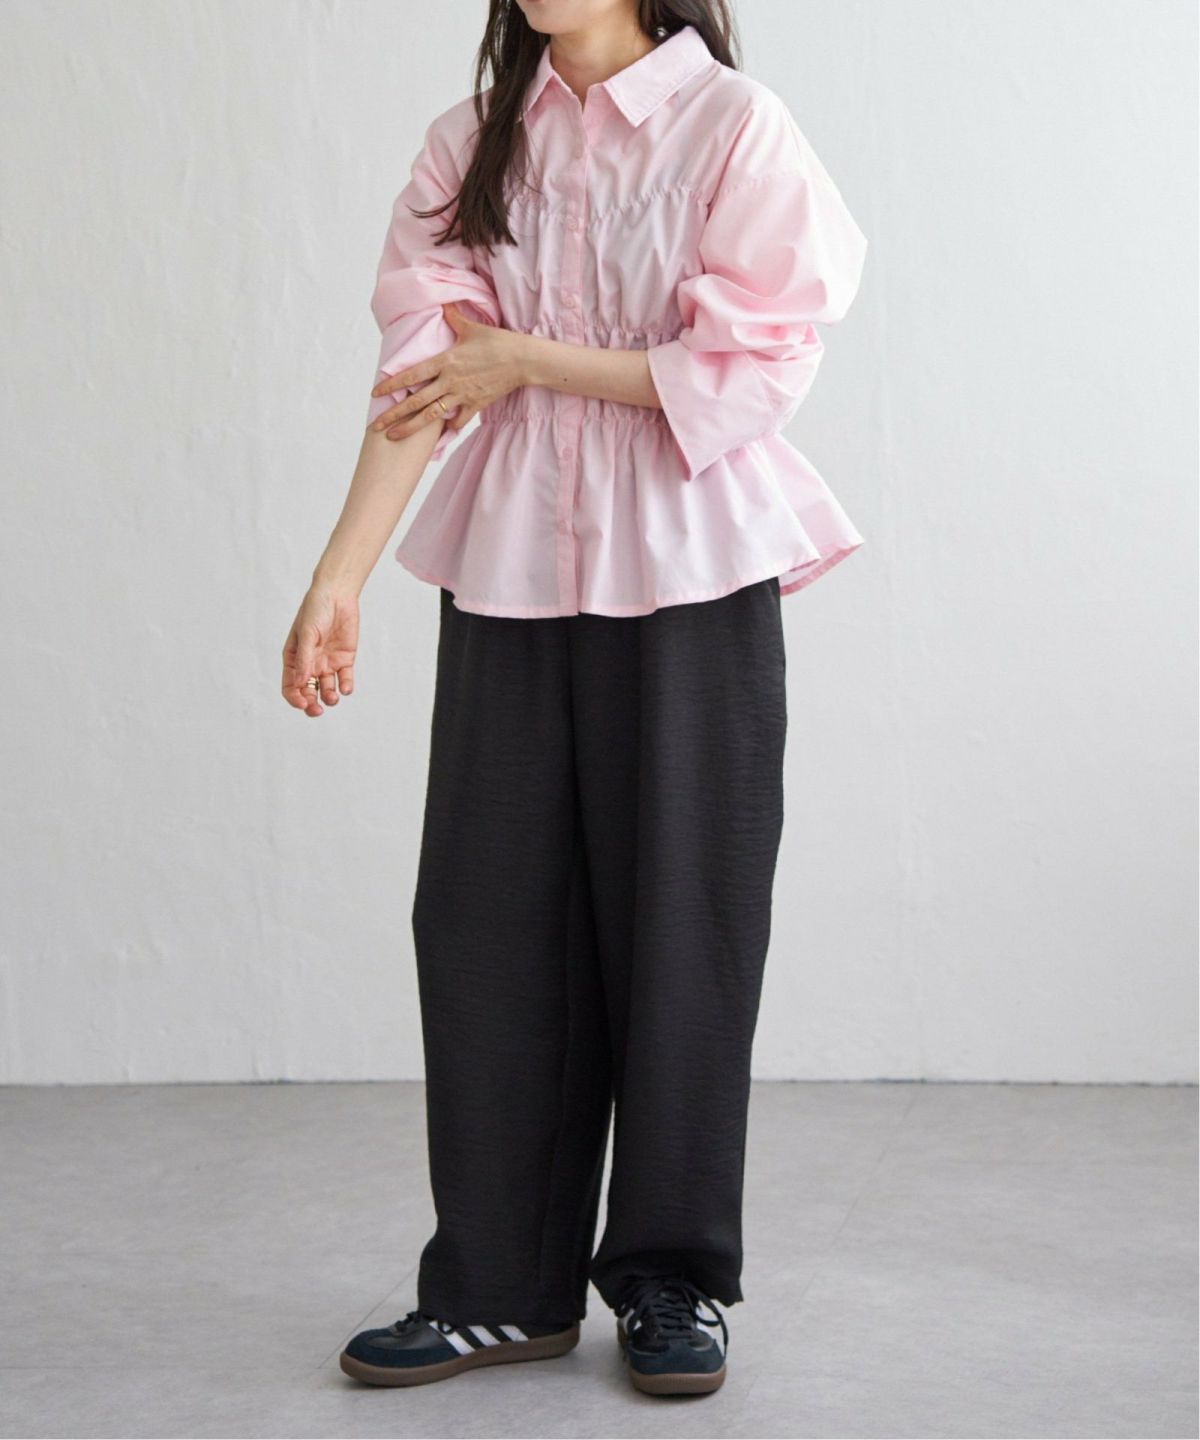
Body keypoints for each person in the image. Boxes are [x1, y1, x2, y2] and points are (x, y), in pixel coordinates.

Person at [281, 0, 867, 1399]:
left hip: (690, 571)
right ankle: (497, 1287)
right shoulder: (474, 142)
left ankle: (672, 1277)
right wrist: (337, 579)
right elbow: (423, 383)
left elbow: (757, 365)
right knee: (485, 921)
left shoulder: (731, 126)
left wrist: (531, 358)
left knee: (683, 922)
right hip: (513, 570)